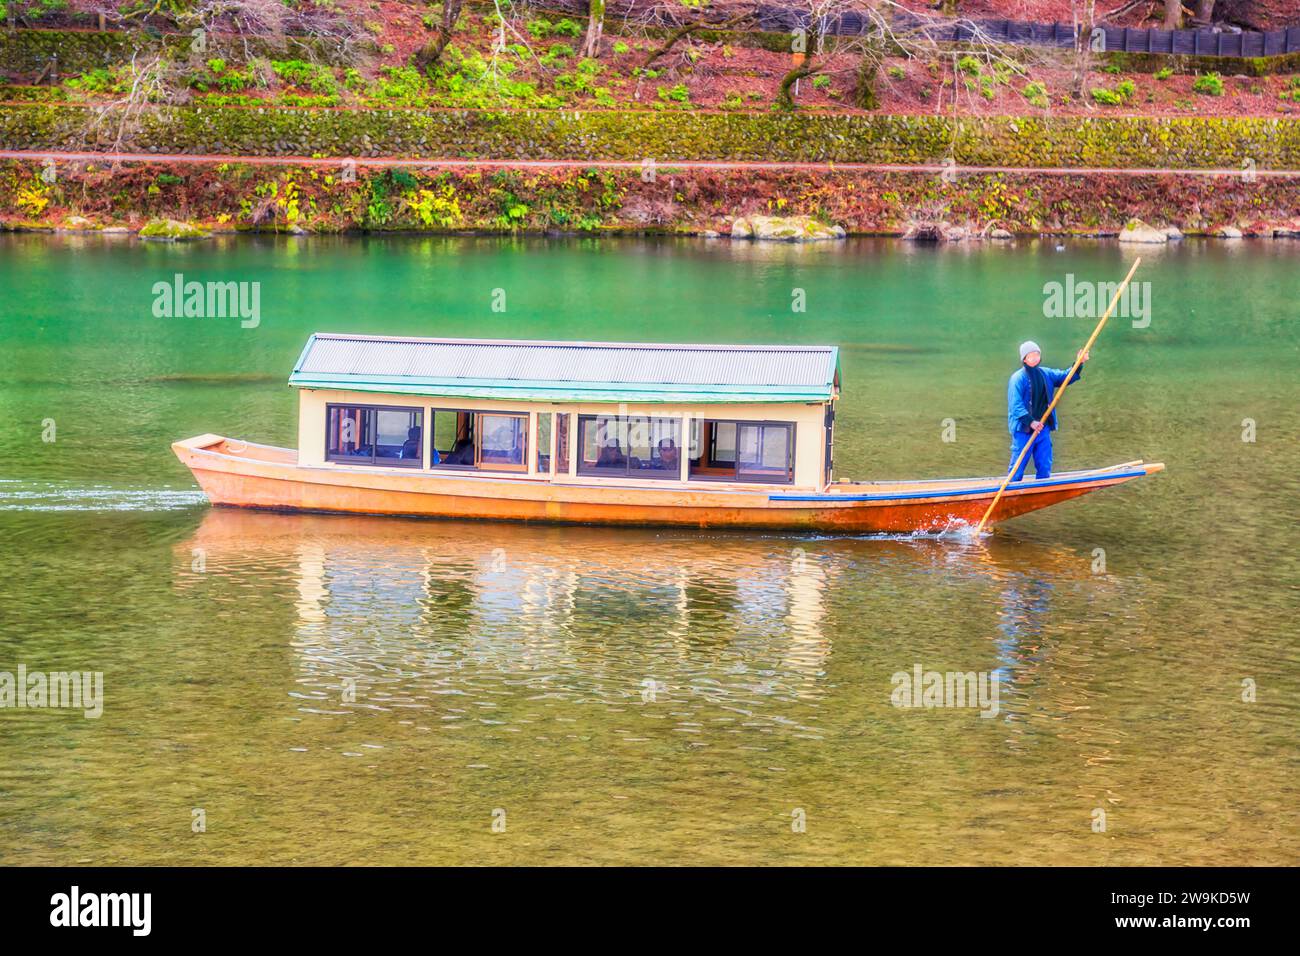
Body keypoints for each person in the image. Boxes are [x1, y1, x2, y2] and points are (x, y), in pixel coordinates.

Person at [1007, 340, 1088, 481]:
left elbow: (1065, 377)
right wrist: (1031, 422)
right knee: (1017, 467)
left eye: (1037, 354)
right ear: (1024, 359)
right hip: (1024, 430)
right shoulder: (1017, 379)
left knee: (1044, 464)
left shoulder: (1046, 373)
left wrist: (1079, 363)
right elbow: (1016, 406)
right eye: (1031, 355)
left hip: (1042, 429)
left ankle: (1041, 489)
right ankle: (1011, 490)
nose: (1035, 357)